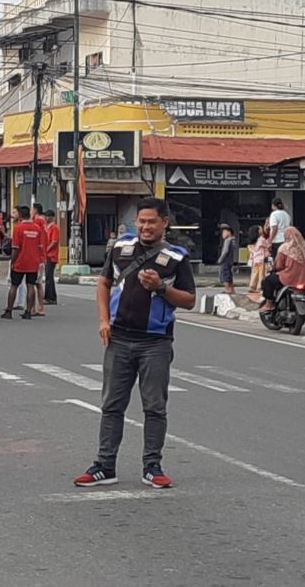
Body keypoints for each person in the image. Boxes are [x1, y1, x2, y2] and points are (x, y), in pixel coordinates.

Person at [75, 197, 195, 490]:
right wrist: (104, 320)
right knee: (111, 405)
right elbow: (103, 283)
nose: (145, 227)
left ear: (164, 222)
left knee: (154, 407)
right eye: (141, 221)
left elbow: (189, 300)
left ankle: (152, 466)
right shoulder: (120, 249)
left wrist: (162, 287)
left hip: (155, 342)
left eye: (151, 221)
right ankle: (105, 465)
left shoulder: (177, 257)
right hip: (118, 338)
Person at [3, 206, 46, 319]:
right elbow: (40, 246)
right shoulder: (37, 228)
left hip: (20, 262)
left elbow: (16, 248)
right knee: (30, 286)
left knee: (14, 286)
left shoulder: (18, 228)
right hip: (33, 262)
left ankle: (9, 310)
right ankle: (28, 311)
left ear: (21, 215)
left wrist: (12, 261)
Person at [259, 227, 305, 312]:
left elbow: (279, 266)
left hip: (290, 277)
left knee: (268, 281)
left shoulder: (284, 248)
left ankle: (269, 304)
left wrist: (274, 268)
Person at [247, 226, 271, 294]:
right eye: (260, 229)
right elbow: (268, 246)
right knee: (261, 274)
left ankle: (251, 287)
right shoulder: (261, 239)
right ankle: (259, 287)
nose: (262, 229)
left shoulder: (252, 242)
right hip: (262, 260)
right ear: (258, 232)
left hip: (255, 260)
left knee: (254, 274)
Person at [44, 209, 60, 305]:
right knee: (48, 277)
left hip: (51, 255)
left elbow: (54, 242)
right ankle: (51, 297)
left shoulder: (54, 228)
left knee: (49, 277)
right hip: (48, 255)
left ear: (52, 217)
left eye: (48, 216)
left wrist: (46, 250)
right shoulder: (48, 227)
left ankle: (49, 297)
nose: (46, 218)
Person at [217, 223, 237, 295]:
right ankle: (232, 290)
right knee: (229, 275)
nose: (223, 234)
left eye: (224, 232)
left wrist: (220, 259)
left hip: (225, 261)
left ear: (229, 232)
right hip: (230, 261)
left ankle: (227, 289)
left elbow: (225, 251)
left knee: (224, 274)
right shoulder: (233, 241)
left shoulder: (227, 241)